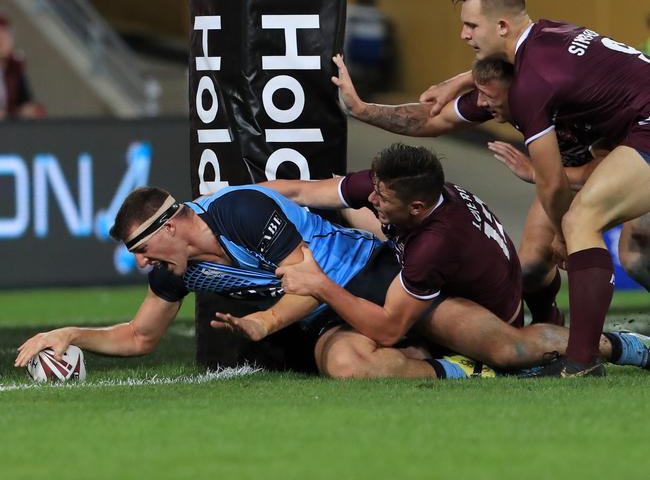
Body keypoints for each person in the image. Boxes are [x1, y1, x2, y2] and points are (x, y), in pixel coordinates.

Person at [15, 184, 497, 380]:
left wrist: (264, 323)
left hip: (368, 276)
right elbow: (141, 336)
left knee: (502, 342)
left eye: (141, 249)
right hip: (324, 312)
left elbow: (308, 281)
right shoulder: (174, 268)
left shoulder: (240, 211)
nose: (142, 263)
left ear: (168, 229)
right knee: (349, 368)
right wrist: (70, 334)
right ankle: (460, 373)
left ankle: (557, 354)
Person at [414, 0, 650, 377]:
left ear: (502, 26)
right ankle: (573, 347)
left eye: (471, 25)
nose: (463, 35)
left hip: (644, 130)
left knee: (580, 224)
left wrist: (562, 232)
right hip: (636, 135)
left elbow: (555, 182)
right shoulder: (546, 39)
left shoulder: (534, 81)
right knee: (636, 252)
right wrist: (361, 107)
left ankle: (581, 360)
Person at [263, 143, 650, 376]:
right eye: (375, 191)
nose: (373, 199)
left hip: (488, 315)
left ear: (415, 207)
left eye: (382, 198)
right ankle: (451, 365)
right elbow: (300, 190)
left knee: (511, 351)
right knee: (349, 362)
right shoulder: (402, 186)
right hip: (453, 285)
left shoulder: (435, 244)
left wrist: (322, 286)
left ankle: (619, 346)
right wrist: (216, 203)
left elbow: (387, 331)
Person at [0, 14, 45, 120]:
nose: (2, 41)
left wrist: (28, 110)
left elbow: (27, 101)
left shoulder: (14, 70)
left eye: (5, 37)